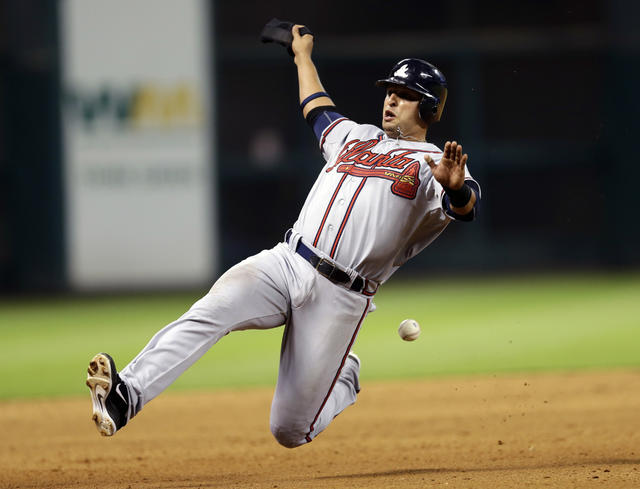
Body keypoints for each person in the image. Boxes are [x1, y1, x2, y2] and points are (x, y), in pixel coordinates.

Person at [86, 25, 480, 448]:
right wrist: (302, 57)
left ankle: (343, 376)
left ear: (428, 108)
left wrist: (456, 186)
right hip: (287, 261)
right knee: (211, 310)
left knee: (289, 430)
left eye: (402, 94)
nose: (390, 99)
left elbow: (466, 207)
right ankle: (126, 395)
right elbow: (317, 108)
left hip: (340, 296)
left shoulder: (434, 164)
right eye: (389, 90)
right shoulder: (358, 136)